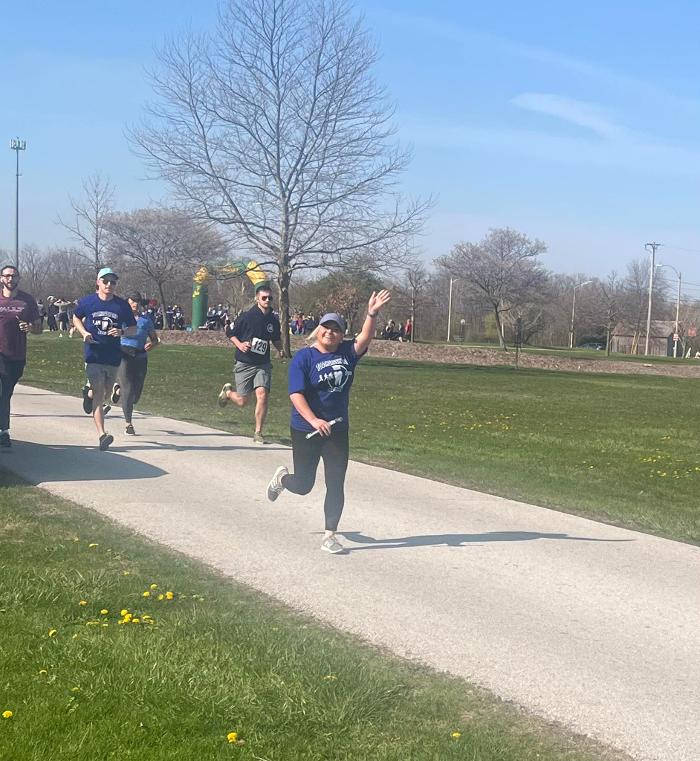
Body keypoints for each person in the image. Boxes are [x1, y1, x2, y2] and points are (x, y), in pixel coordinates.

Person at [266, 289, 391, 554]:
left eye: (336, 330)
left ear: (341, 335)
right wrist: (313, 420)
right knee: (304, 485)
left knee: (335, 483)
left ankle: (329, 536)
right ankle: (283, 479)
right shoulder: (304, 358)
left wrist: (371, 314)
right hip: (306, 429)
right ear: (318, 330)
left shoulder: (347, 353)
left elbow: (365, 337)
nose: (330, 333)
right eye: (326, 327)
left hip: (337, 430)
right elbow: (296, 394)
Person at [72, 268, 137, 450]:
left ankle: (88, 394)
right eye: (105, 281)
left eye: (113, 282)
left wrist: (121, 331)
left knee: (106, 394)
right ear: (98, 282)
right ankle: (102, 435)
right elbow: (76, 317)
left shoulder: (121, 305)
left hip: (113, 356)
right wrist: (84, 333)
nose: (109, 284)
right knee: (100, 395)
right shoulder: (88, 302)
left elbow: (133, 328)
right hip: (93, 354)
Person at [218, 284, 283, 445]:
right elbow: (230, 332)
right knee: (242, 401)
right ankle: (228, 393)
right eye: (264, 297)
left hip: (263, 364)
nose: (267, 300)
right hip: (245, 362)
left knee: (262, 394)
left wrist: (280, 350)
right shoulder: (246, 316)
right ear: (257, 299)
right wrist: (240, 344)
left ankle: (258, 432)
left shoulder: (273, 320)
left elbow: (275, 338)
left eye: (270, 298)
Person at [0, 265, 42, 447]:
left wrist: (31, 328)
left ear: (18, 278)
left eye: (14, 276)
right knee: (1, 390)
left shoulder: (27, 300)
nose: (11, 279)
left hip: (16, 355)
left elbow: (39, 328)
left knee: (6, 393)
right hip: (0, 352)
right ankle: (4, 431)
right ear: (1, 278)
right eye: (7, 276)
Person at [112, 292, 159, 435]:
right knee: (128, 388)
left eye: (137, 301)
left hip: (140, 356)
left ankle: (117, 390)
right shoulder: (120, 318)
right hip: (124, 353)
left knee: (136, 394)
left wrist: (152, 344)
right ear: (127, 302)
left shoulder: (146, 321)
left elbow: (155, 339)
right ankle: (128, 424)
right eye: (132, 301)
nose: (135, 304)